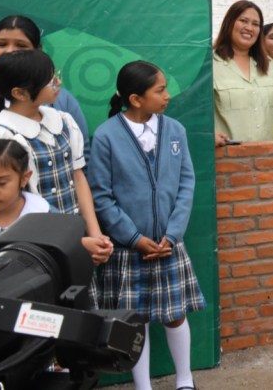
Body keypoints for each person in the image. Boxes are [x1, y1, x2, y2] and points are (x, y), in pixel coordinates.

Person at [88, 61, 205, 390]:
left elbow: (186, 184)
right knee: (133, 322)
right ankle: (144, 386)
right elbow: (101, 195)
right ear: (136, 99)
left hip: (168, 245)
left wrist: (172, 234)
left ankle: (185, 380)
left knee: (175, 312)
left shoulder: (175, 131)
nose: (167, 96)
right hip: (128, 250)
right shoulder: (107, 136)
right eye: (160, 90)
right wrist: (133, 237)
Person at [0, 50, 111, 263]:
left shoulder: (63, 120)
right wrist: (75, 243)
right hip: (36, 250)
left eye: (55, 74)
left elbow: (78, 177)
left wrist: (94, 233)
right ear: (20, 93)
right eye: (49, 80)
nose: (57, 82)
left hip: (77, 239)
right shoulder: (2, 135)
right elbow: (10, 205)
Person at [0, 140, 110, 271]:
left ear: (25, 178)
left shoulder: (48, 216)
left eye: (1, 183)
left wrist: (87, 247)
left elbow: (63, 247)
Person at [0, 15, 90, 151]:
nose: (10, 51)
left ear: (38, 51)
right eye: (1, 44)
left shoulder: (60, 100)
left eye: (21, 46)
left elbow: (80, 154)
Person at [213, 0, 273, 145]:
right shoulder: (211, 65)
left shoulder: (269, 65)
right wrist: (210, 134)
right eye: (243, 21)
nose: (249, 28)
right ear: (229, 23)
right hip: (227, 157)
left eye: (255, 24)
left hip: (268, 158)